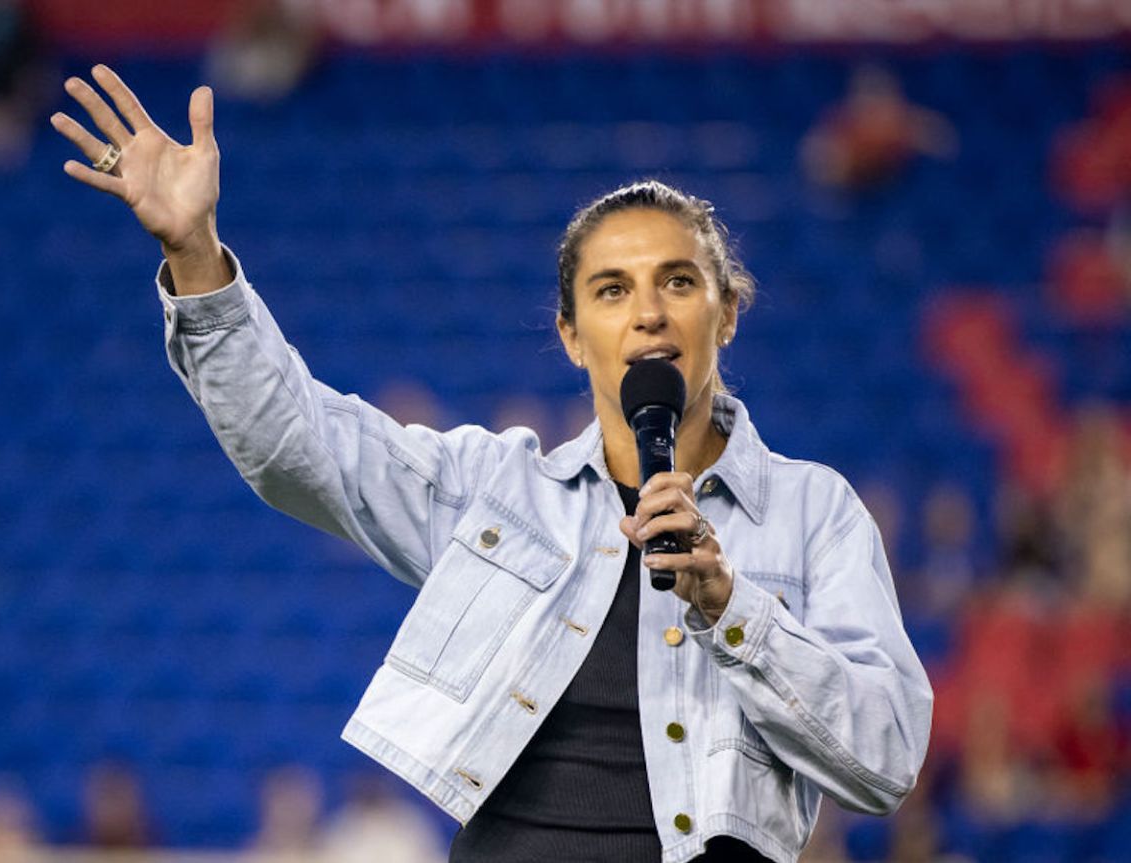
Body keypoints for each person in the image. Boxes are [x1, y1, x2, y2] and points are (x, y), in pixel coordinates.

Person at [49, 66, 933, 862]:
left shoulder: (816, 512)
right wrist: (196, 258)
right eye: (611, 290)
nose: (649, 313)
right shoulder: (498, 491)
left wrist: (732, 608)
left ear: (727, 312)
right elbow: (299, 446)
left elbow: (887, 756)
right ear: (570, 334)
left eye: (679, 281)